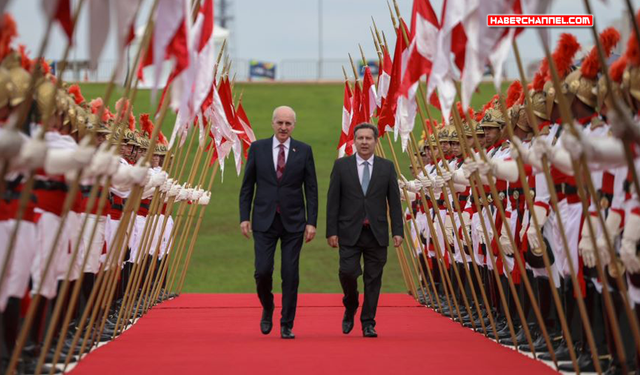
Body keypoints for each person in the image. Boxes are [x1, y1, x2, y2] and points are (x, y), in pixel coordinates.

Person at [239, 105, 318, 339]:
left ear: (294, 126)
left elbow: (311, 189)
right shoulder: (258, 149)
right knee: (262, 271)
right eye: (280, 123)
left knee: (290, 273)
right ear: (272, 123)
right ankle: (267, 307)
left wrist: (311, 221)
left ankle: (287, 323)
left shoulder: (303, 150)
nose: (284, 127)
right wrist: (244, 217)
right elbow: (247, 187)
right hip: (263, 221)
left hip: (294, 222)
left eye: (288, 123)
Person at [326, 122, 403, 338]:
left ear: (375, 141)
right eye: (360, 138)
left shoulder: (386, 167)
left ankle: (368, 322)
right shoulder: (342, 166)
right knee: (348, 272)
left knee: (373, 279)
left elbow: (394, 202)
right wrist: (331, 231)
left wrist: (398, 230)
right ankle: (350, 304)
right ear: (354, 141)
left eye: (369, 138)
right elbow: (333, 201)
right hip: (349, 232)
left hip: (377, 233)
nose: (364, 142)